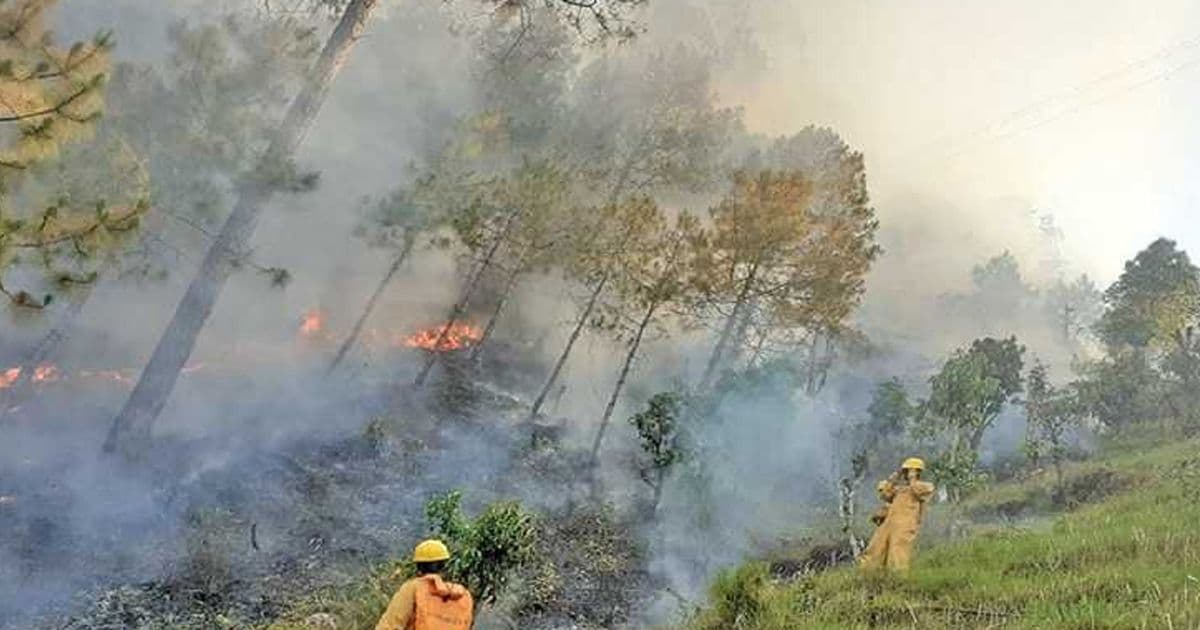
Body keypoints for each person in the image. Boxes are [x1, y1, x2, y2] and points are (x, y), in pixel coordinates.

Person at [858, 457, 935, 574]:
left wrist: (912, 478)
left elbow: (918, 491)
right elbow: (885, 495)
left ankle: (898, 579)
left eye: (909, 471)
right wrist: (892, 480)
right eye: (906, 471)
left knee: (898, 552)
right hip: (889, 524)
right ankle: (868, 575)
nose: (906, 474)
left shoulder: (925, 486)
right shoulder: (900, 490)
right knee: (875, 548)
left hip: (905, 526)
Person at [375, 539, 474, 630]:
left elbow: (390, 625)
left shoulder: (413, 588)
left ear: (419, 566)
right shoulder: (463, 596)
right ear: (445, 565)